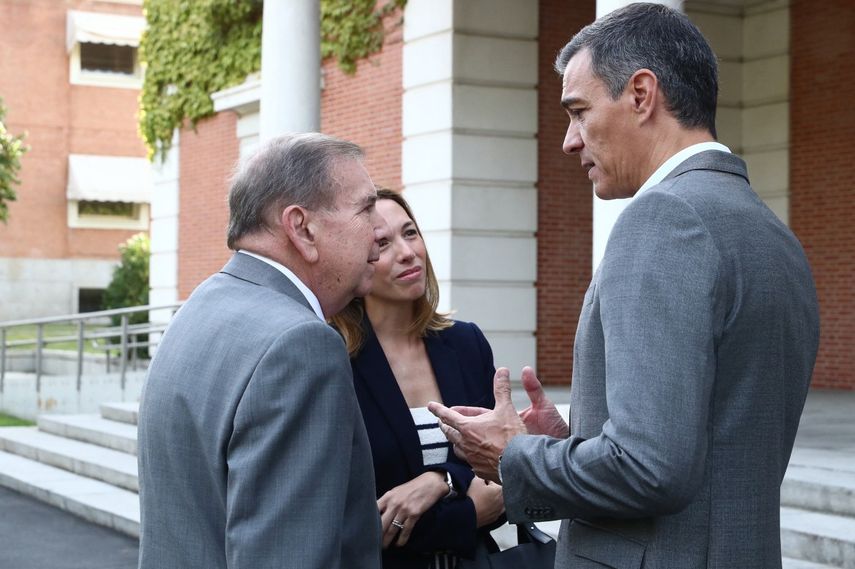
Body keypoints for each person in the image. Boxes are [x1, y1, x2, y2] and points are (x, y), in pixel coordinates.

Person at [429, 4, 820, 568]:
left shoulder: (663, 221)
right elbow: (706, 438)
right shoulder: (769, 231)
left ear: (641, 95)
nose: (569, 140)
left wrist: (514, 456)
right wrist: (571, 440)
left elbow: (650, 470)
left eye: (579, 112)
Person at [137, 133, 386, 569]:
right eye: (366, 208)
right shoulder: (301, 345)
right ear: (302, 227)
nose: (380, 230)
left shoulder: (201, 305)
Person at [331, 189, 505, 569]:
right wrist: (467, 513)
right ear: (356, 259)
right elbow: (359, 524)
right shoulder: (335, 360)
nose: (407, 252)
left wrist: (441, 480)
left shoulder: (466, 342)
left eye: (410, 233)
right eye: (383, 242)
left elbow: (504, 478)